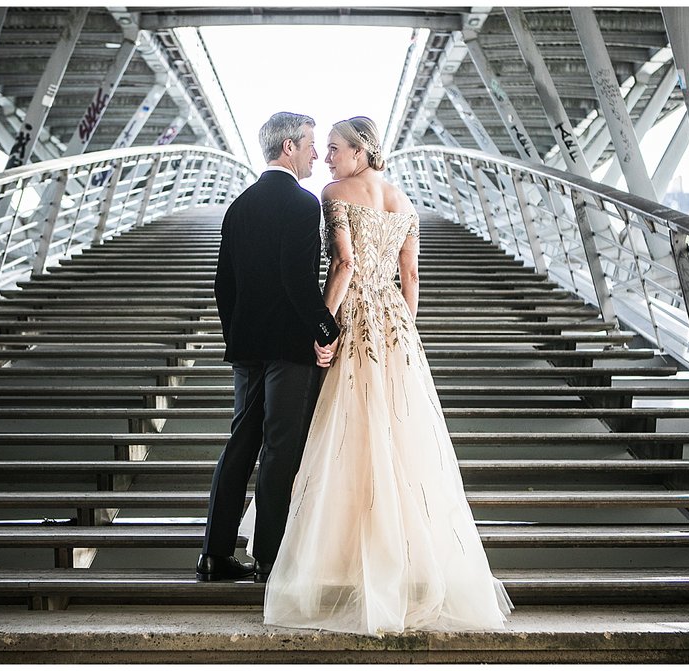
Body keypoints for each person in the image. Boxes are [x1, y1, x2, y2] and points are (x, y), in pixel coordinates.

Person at [258, 117, 514, 634]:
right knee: (399, 436)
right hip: (395, 324)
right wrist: (405, 328)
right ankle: (404, 558)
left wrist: (323, 325)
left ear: (360, 151)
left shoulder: (335, 193)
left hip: (352, 315)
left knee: (346, 434)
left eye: (334, 149)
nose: (327, 158)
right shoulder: (405, 203)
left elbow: (345, 263)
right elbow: (412, 274)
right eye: (323, 150)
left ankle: (337, 558)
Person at [198, 112, 340, 583]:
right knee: (281, 449)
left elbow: (224, 285)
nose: (316, 153)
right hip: (288, 349)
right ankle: (269, 560)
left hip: (248, 348)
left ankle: (214, 555)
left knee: (240, 442)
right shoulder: (302, 205)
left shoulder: (238, 205)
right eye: (310, 144)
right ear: (288, 148)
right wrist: (327, 329)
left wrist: (237, 338)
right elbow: (298, 283)